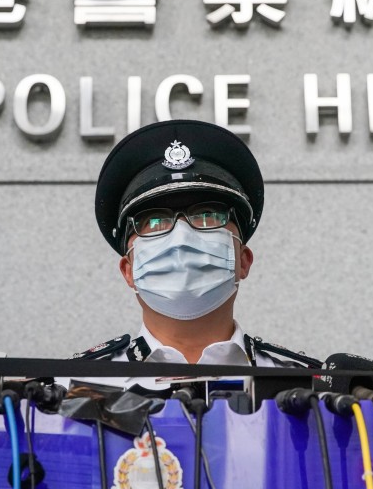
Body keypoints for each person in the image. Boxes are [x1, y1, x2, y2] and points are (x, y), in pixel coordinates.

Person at [75, 118, 320, 382]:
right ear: (128, 270)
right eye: (155, 221)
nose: (181, 237)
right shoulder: (72, 389)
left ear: (244, 260)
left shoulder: (309, 391)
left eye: (207, 215)